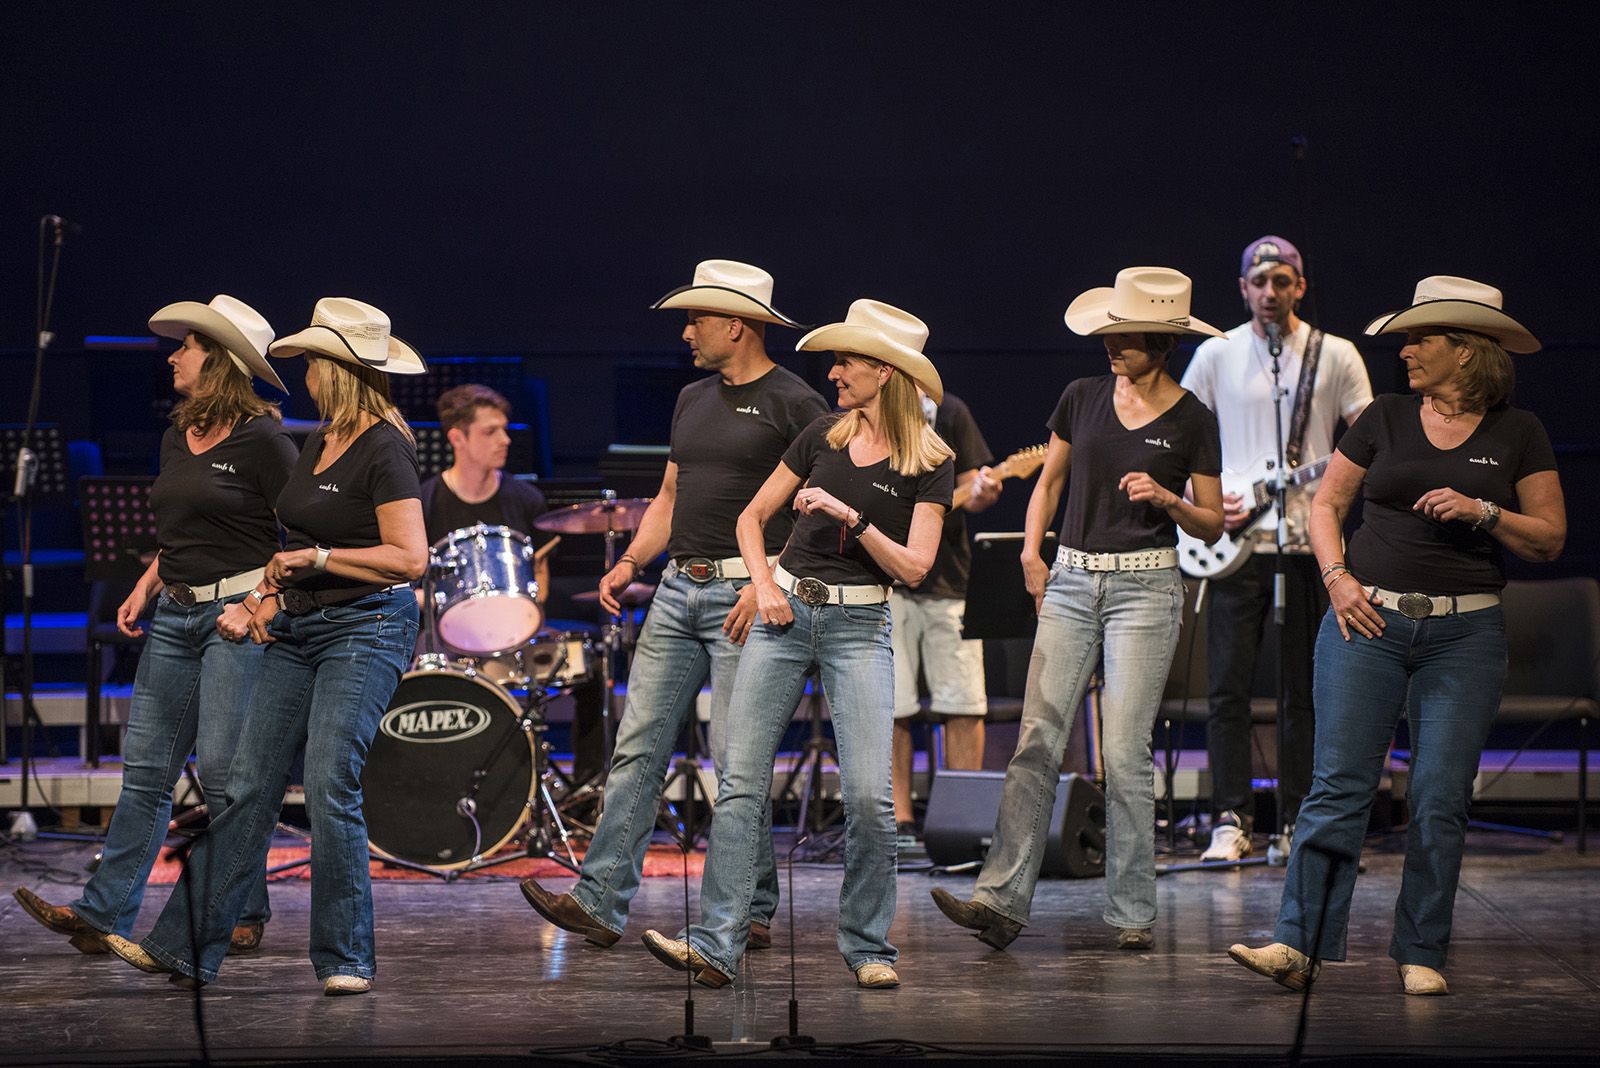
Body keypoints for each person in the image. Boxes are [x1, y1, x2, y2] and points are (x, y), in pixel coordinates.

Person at [1229, 277, 1564, 996]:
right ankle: (1301, 944)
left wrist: (1484, 513)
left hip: (1465, 633)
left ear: (1468, 353)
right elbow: (1328, 505)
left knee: (1441, 794)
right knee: (1338, 786)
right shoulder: (1383, 416)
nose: (1405, 351)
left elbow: (1549, 537)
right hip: (1366, 618)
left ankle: (1422, 949)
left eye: (1422, 340)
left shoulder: (1519, 432)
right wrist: (1338, 577)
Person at [105, 297, 429, 994]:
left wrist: (317, 561)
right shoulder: (319, 442)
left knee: (326, 781)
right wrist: (262, 597)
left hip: (367, 627)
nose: (304, 371)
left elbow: (409, 559)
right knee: (248, 785)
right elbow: (287, 549)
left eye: (312, 359)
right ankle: (186, 946)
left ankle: (345, 957)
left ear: (336, 368)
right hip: (297, 625)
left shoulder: (384, 446)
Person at [643, 298, 956, 990]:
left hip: (858, 628)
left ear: (885, 371)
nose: (834, 372)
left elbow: (914, 567)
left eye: (846, 361)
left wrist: (855, 519)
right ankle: (716, 942)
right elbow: (753, 519)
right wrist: (763, 584)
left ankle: (870, 946)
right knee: (742, 784)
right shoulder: (821, 436)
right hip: (785, 620)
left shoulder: (932, 462)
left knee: (872, 799)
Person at [520, 260, 828, 949]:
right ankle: (600, 904)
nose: (686, 332)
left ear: (736, 325)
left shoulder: (796, 402)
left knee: (736, 762)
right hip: (675, 591)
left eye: (695, 319)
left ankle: (748, 910)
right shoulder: (691, 398)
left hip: (742, 596)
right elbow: (667, 497)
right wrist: (632, 561)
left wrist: (767, 577)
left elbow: (819, 510)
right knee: (638, 748)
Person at [931, 266, 1224, 951]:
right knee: (1038, 739)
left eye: (1125, 335)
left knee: (1123, 752)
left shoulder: (1192, 419)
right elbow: (1048, 484)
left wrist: (1170, 500)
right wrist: (1032, 553)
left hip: (1146, 589)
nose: (1110, 344)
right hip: (1070, 581)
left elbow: (1211, 522)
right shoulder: (1081, 396)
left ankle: (1131, 913)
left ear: (1161, 340)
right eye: (1108, 332)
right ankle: (999, 903)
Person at [12, 296, 295, 956]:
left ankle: (242, 906)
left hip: (235, 618)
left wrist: (261, 605)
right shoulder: (177, 435)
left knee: (225, 775)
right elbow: (179, 533)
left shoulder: (265, 442)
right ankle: (101, 912)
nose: (173, 356)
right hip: (174, 614)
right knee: (145, 774)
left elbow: (302, 536)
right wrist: (143, 587)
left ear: (220, 362)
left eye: (187, 346)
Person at [1180, 236, 1373, 864]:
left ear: (1300, 286)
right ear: (1242, 287)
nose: (1270, 292)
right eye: (1259, 281)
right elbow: (1178, 438)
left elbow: (1368, 438)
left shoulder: (1335, 354)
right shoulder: (1215, 354)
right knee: (1228, 689)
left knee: (1303, 690)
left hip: (1306, 543)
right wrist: (1208, 498)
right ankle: (1230, 818)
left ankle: (1296, 819)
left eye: (1283, 281)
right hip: (1236, 544)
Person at [890, 390, 999, 848]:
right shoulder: (865, 411)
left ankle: (962, 820)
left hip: (949, 578)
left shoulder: (950, 410)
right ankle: (898, 821)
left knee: (963, 702)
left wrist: (982, 493)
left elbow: (975, 486)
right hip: (885, 580)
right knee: (891, 706)